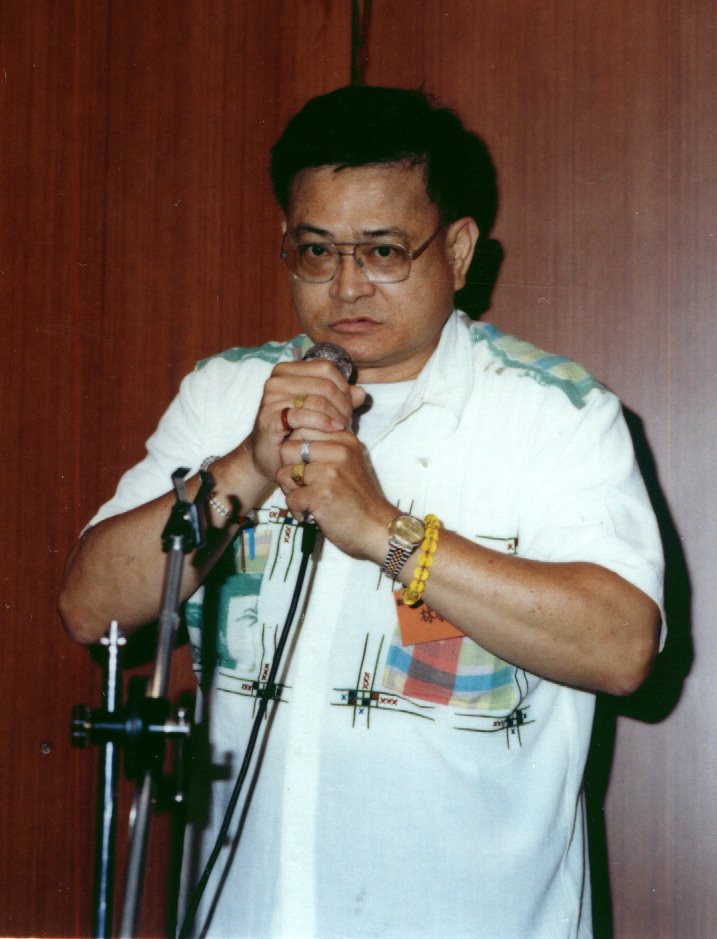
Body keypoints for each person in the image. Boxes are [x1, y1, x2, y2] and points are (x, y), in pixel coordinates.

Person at [60, 86, 664, 938]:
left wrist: (384, 533)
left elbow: (621, 645)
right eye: (315, 251)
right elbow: (89, 607)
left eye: (382, 251)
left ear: (458, 249)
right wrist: (248, 464)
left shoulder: (555, 414)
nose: (346, 286)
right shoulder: (224, 394)